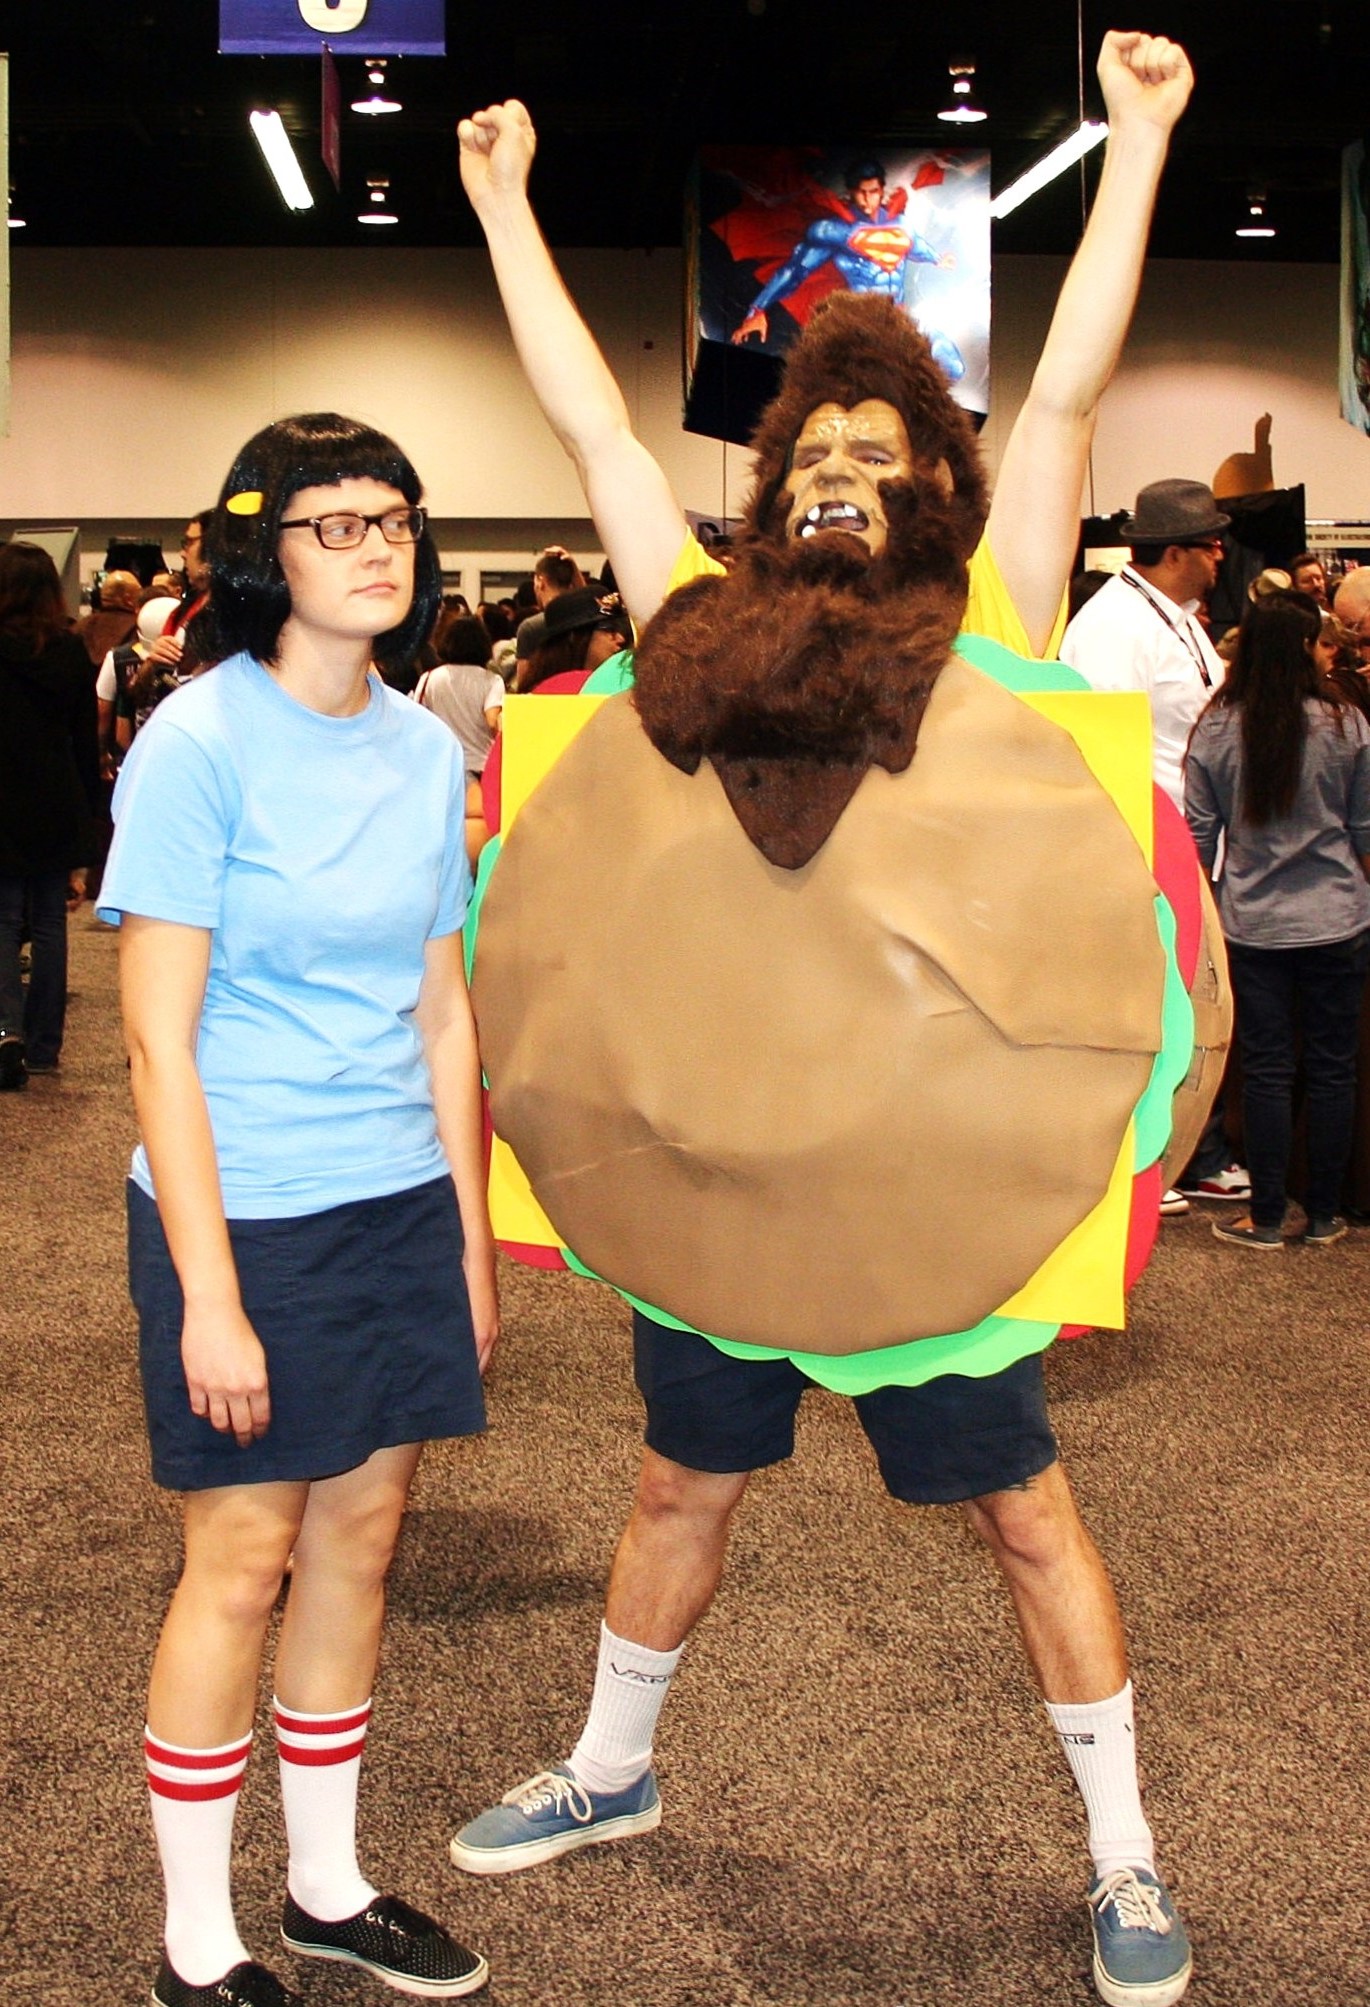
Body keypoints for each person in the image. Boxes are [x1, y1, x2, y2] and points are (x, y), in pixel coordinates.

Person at [454, 32, 1197, 2007]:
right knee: (674, 1483)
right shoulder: (695, 635)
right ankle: (610, 1771)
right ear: (773, 494)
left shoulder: (1002, 637)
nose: (848, 477)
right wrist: (503, 205)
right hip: (717, 1183)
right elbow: (604, 448)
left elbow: (1065, 408)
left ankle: (1123, 1856)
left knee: (1027, 1518)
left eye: (886, 459)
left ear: (932, 492)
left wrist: (1134, 149)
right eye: (816, 460)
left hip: (940, 1200)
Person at [98, 414, 497, 2007]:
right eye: (334, 524)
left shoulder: (424, 747)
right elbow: (150, 1037)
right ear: (266, 554)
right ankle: (199, 1936)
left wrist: (464, 1240)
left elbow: (442, 1009)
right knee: (242, 1550)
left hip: (394, 1193)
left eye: (391, 517)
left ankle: (325, 1883)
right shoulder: (201, 742)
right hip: (242, 1202)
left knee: (364, 1535)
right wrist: (207, 1289)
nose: (375, 544)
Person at [1060, 478, 1250, 1219]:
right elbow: (1104, 746)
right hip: (1150, 850)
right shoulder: (1114, 626)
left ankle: (1192, 1154)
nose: (1220, 554)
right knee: (1160, 1011)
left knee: (1194, 1011)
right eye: (1210, 543)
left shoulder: (1180, 620)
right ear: (1173, 552)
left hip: (1194, 847)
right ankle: (1155, 1159)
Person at [1185, 590, 1370, 1248]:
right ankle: (1323, 1213)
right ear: (1305, 649)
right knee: (1332, 1066)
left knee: (1263, 1068)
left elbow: (1199, 841)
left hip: (1252, 923)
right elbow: (1364, 826)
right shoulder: (1345, 722)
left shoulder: (1215, 726)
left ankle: (1265, 1214)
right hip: (1339, 915)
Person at [0, 543, 102, 1087]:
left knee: (0, 924)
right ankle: (44, 1046)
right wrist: (89, 813)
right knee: (49, 925)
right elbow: (85, 741)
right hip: (54, 802)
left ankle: (3, 1031)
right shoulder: (66, 652)